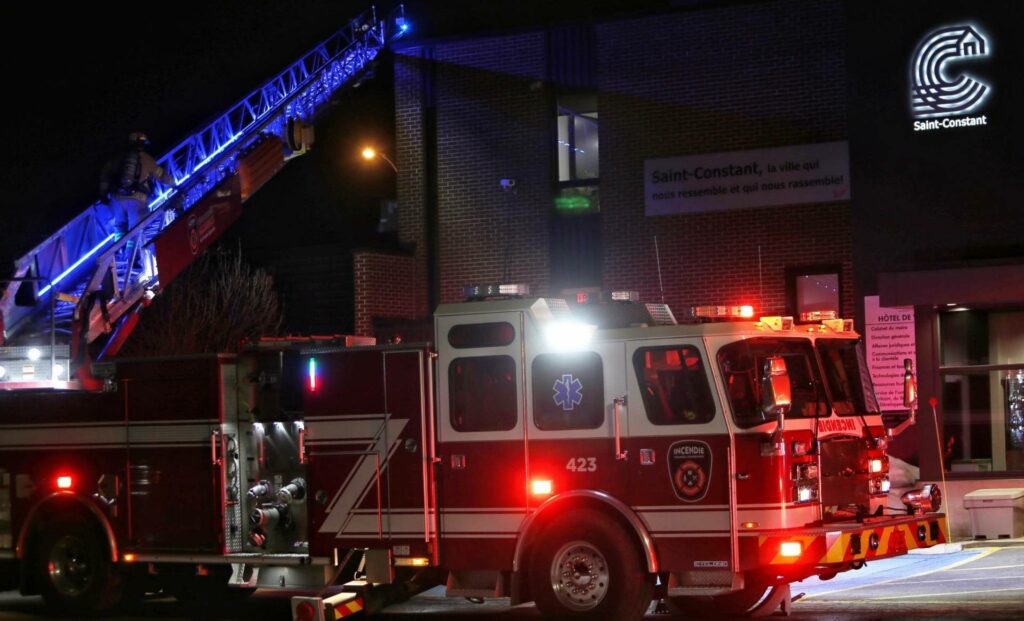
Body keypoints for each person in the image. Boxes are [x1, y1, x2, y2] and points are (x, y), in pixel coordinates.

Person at [99, 132, 176, 236]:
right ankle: (131, 247)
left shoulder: (117, 158)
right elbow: (162, 176)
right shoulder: (147, 159)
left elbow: (105, 177)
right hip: (137, 201)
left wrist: (103, 196)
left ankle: (120, 245)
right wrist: (174, 184)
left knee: (120, 229)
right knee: (135, 233)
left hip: (117, 199)